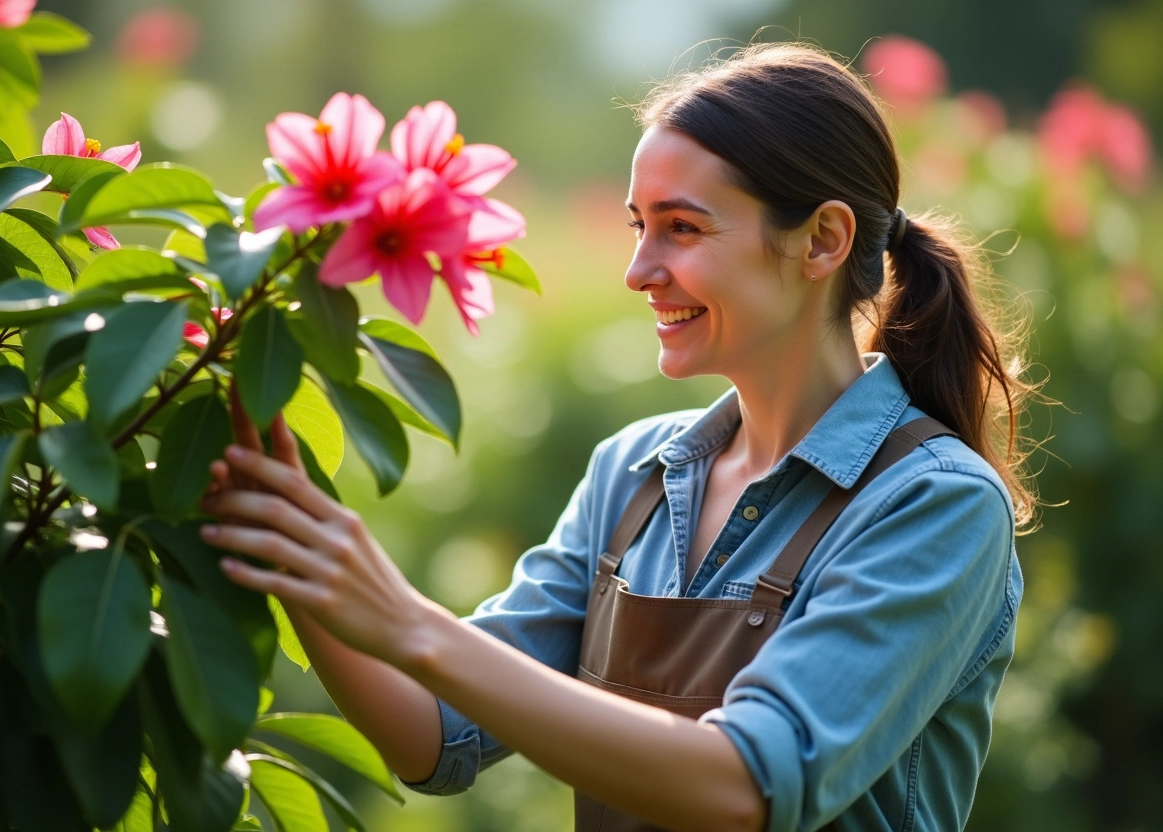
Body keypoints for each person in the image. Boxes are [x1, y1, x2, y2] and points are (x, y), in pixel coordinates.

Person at [201, 41, 1036, 832]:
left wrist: (415, 624)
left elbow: (748, 783)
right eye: (639, 224)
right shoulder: (633, 473)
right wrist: (292, 552)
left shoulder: (934, 503)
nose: (638, 270)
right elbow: (436, 735)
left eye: (681, 227)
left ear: (821, 240)